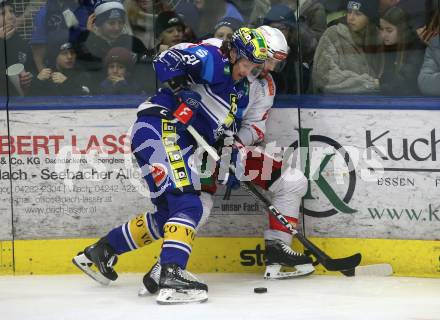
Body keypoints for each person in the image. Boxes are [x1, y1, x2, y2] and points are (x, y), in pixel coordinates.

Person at [72, 27, 268, 304]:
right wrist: (178, 89)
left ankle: (102, 250)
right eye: (246, 63)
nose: (247, 71)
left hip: (168, 137)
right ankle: (172, 275)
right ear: (234, 53)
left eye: (253, 67)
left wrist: (231, 163)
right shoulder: (213, 58)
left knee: (169, 214)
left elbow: (220, 138)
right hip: (162, 127)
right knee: (189, 204)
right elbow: (165, 59)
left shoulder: (235, 93)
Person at [137, 26, 314, 300]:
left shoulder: (265, 85)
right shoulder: (217, 53)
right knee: (197, 206)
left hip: (229, 148)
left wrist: (232, 149)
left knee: (293, 181)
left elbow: (255, 128)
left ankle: (278, 252)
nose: (269, 67)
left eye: (276, 63)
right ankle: (166, 268)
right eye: (269, 59)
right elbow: (178, 67)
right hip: (191, 142)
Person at [312, 0, 383, 94]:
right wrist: (370, 84)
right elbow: (323, 76)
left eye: (358, 14)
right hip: (337, 104)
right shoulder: (333, 35)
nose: (351, 18)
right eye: (349, 12)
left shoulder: (380, 38)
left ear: (369, 17)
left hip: (376, 104)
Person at [29, 0, 94, 72]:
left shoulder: (81, 10)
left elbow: (86, 42)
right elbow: (38, 55)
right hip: (54, 67)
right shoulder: (44, 14)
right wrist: (44, 77)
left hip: (79, 65)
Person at [378, 6, 425, 95]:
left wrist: (379, 82)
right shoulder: (385, 46)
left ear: (402, 30)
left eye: (389, 30)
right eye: (381, 29)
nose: (383, 35)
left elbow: (405, 83)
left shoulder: (416, 49)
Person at [0, 0, 34, 96]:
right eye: (2, 13)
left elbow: (31, 70)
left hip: (18, 103)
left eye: (11, 11)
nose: (10, 16)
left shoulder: (21, 42)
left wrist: (29, 79)